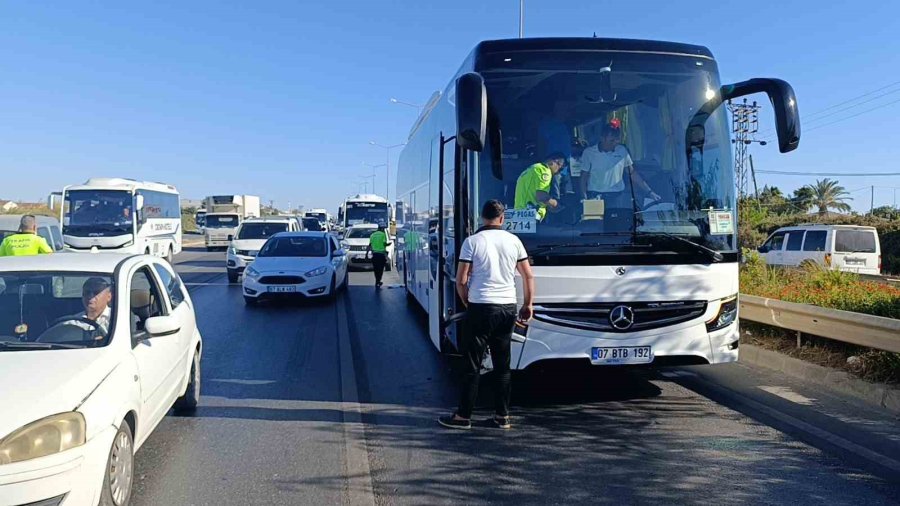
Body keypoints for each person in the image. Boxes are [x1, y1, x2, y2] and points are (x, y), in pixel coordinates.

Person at [438, 200, 536, 430]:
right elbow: (527, 276)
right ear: (502, 219)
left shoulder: (472, 242)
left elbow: (461, 280)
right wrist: (528, 304)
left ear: (482, 218)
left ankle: (463, 416)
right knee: (503, 365)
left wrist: (467, 301)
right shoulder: (514, 241)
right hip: (507, 307)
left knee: (472, 363)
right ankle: (502, 416)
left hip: (481, 306)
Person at [580, 120, 660, 204]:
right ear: (602, 138)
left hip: (617, 196)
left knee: (621, 216)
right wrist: (584, 198)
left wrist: (649, 192)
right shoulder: (589, 153)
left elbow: (632, 173)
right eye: (611, 140)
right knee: (596, 217)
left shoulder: (622, 151)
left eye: (617, 140)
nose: (615, 143)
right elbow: (583, 177)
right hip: (595, 196)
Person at [513, 152, 566, 221]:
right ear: (552, 162)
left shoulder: (533, 168)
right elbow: (541, 196)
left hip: (522, 214)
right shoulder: (544, 170)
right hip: (530, 216)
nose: (558, 172)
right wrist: (557, 205)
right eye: (560, 168)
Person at [365, 223, 392, 288]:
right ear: (382, 229)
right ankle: (378, 280)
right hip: (381, 255)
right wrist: (388, 244)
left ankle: (377, 281)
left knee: (376, 269)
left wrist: (366, 254)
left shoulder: (372, 235)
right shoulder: (383, 234)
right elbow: (384, 243)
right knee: (381, 269)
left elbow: (369, 245)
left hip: (375, 255)